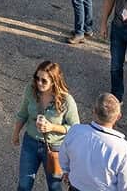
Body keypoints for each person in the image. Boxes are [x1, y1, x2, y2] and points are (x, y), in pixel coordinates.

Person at [12, 60, 79, 191]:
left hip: (55, 148)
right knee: (24, 185)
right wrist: (16, 133)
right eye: (37, 78)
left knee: (54, 186)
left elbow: (75, 128)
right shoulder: (31, 90)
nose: (39, 83)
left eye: (44, 80)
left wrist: (52, 127)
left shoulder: (66, 100)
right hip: (30, 142)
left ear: (54, 81)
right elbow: (23, 113)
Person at [59, 93, 127, 191]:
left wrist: (66, 171)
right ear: (118, 117)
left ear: (94, 111)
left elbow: (63, 158)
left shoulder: (75, 131)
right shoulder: (122, 148)